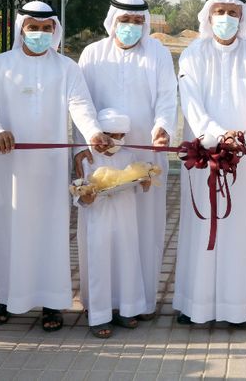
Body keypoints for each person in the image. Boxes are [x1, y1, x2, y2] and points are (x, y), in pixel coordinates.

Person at [0, 0, 112, 332]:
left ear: (54, 31)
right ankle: (6, 297)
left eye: (46, 28)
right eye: (33, 27)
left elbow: (80, 105)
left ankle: (52, 303)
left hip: (49, 169)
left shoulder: (66, 68)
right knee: (8, 230)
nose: (40, 33)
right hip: (11, 167)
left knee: (51, 232)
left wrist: (92, 134)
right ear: (22, 29)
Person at [173, 0, 246, 327]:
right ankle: (194, 305)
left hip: (244, 155)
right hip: (203, 152)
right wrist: (218, 134)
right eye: (220, 11)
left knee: (239, 227)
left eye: (233, 12)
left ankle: (236, 307)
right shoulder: (192, 54)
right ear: (208, 15)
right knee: (200, 227)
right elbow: (191, 103)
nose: (226, 18)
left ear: (242, 18)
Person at [74, 0, 177, 320]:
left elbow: (166, 97)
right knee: (100, 230)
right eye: (125, 20)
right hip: (100, 156)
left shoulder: (157, 53)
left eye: (137, 21)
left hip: (143, 156)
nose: (131, 26)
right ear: (112, 21)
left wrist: (163, 128)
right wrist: (82, 149)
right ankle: (99, 301)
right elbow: (80, 104)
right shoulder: (92, 54)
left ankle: (138, 303)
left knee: (143, 230)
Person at [76, 108, 149, 338]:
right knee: (99, 263)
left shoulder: (128, 155)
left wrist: (145, 181)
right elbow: (78, 188)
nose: (114, 141)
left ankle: (127, 308)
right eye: (110, 135)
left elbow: (138, 178)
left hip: (126, 217)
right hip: (98, 218)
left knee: (126, 259)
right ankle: (99, 315)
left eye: (120, 136)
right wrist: (84, 196)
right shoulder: (86, 156)